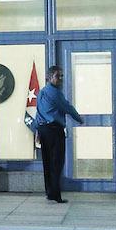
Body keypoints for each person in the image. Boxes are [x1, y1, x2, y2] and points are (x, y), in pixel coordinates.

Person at [35, 65, 84, 204]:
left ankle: (49, 192)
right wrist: (79, 119)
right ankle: (56, 195)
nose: (61, 79)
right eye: (58, 76)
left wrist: (38, 131)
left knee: (47, 162)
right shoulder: (55, 93)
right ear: (50, 77)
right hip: (54, 131)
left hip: (44, 130)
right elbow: (67, 107)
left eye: (62, 76)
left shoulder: (42, 92)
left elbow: (38, 113)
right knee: (57, 162)